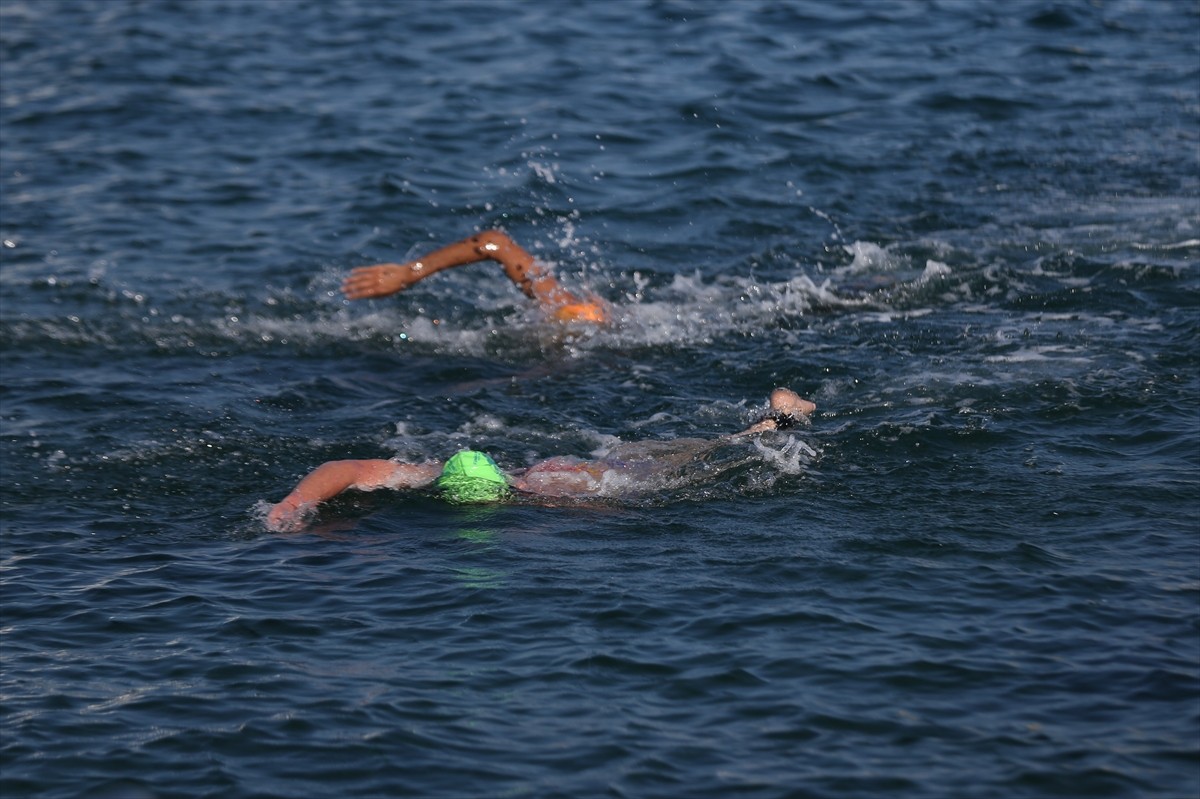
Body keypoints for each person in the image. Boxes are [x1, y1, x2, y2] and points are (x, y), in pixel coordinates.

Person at [266, 388, 816, 532]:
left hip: (611, 479)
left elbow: (353, 469)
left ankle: (776, 421)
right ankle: (771, 421)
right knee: (697, 451)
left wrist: (299, 501)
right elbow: (352, 469)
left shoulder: (551, 500)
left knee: (693, 458)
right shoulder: (441, 476)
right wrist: (297, 500)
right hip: (591, 470)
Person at [342, 229, 611, 324]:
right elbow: (493, 242)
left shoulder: (562, 309)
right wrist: (409, 273)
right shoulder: (560, 304)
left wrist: (410, 274)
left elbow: (493, 242)